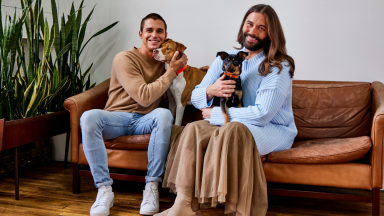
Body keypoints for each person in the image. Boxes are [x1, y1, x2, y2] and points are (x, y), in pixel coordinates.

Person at [156, 4, 297, 216]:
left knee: (233, 131)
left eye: (261, 27)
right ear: (243, 26)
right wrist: (211, 90)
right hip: (235, 122)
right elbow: (195, 97)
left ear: (271, 33)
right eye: (249, 24)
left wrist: (220, 115)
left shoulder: (278, 65)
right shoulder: (228, 57)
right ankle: (184, 205)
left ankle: (236, 211)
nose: (252, 31)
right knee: (194, 128)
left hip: (273, 129)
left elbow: (263, 114)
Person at [79, 13, 188, 216]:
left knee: (164, 115)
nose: (154, 35)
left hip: (146, 120)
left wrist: (203, 73)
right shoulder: (124, 58)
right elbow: (144, 97)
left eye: (159, 31)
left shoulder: (164, 61)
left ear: (166, 36)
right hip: (117, 118)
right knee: (88, 117)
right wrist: (172, 71)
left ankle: (152, 187)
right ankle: (104, 190)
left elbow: (185, 80)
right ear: (140, 34)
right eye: (149, 30)